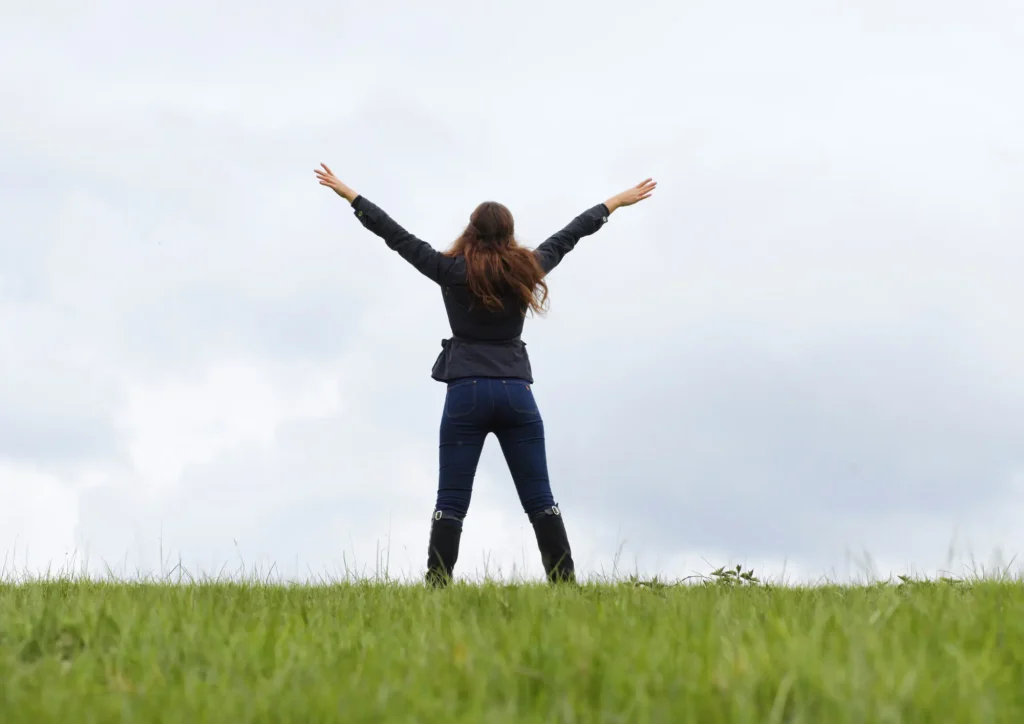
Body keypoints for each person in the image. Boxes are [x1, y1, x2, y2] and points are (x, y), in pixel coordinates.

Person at [314, 163, 656, 586]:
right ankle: (566, 588)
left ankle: (437, 589)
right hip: (517, 393)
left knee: (451, 500)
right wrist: (615, 203)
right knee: (541, 500)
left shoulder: (449, 270)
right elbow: (570, 235)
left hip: (466, 394)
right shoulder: (526, 268)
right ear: (509, 234)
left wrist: (352, 197)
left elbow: (396, 236)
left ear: (471, 231)